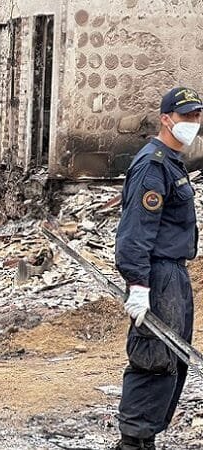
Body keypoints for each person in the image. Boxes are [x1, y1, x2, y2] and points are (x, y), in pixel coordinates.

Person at [112, 87, 202, 450]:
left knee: (173, 357)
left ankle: (145, 437)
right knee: (154, 358)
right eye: (186, 117)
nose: (193, 123)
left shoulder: (172, 162)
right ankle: (133, 441)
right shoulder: (153, 165)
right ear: (166, 119)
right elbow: (135, 232)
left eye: (197, 116)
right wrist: (137, 285)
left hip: (175, 274)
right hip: (157, 274)